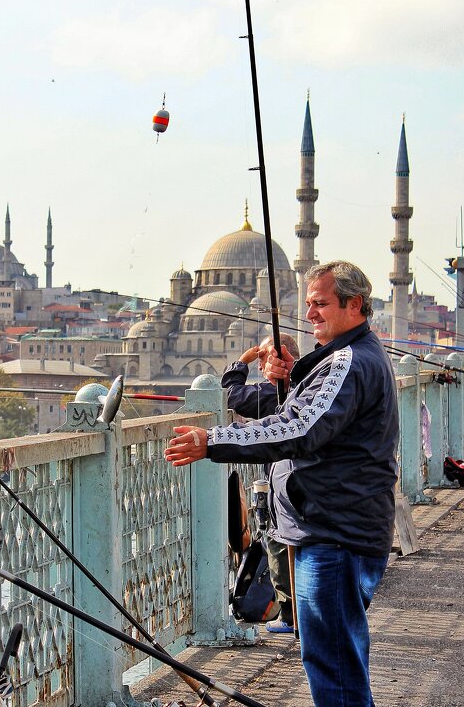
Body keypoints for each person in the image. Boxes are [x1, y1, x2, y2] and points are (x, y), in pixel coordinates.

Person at [165, 261, 399, 707]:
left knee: (334, 664)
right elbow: (324, 421)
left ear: (355, 305)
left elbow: (298, 428)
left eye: (321, 304)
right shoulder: (352, 356)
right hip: (338, 529)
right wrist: (293, 379)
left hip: (336, 536)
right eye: (308, 303)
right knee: (337, 658)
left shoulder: (349, 361)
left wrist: (212, 440)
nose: (310, 313)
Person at [222, 332, 300, 634]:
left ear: (279, 358)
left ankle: (290, 616)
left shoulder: (274, 393)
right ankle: (300, 614)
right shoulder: (305, 386)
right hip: (301, 482)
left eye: (263, 357)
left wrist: (242, 360)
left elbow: (232, 395)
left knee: (278, 544)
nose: (259, 363)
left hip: (284, 484)